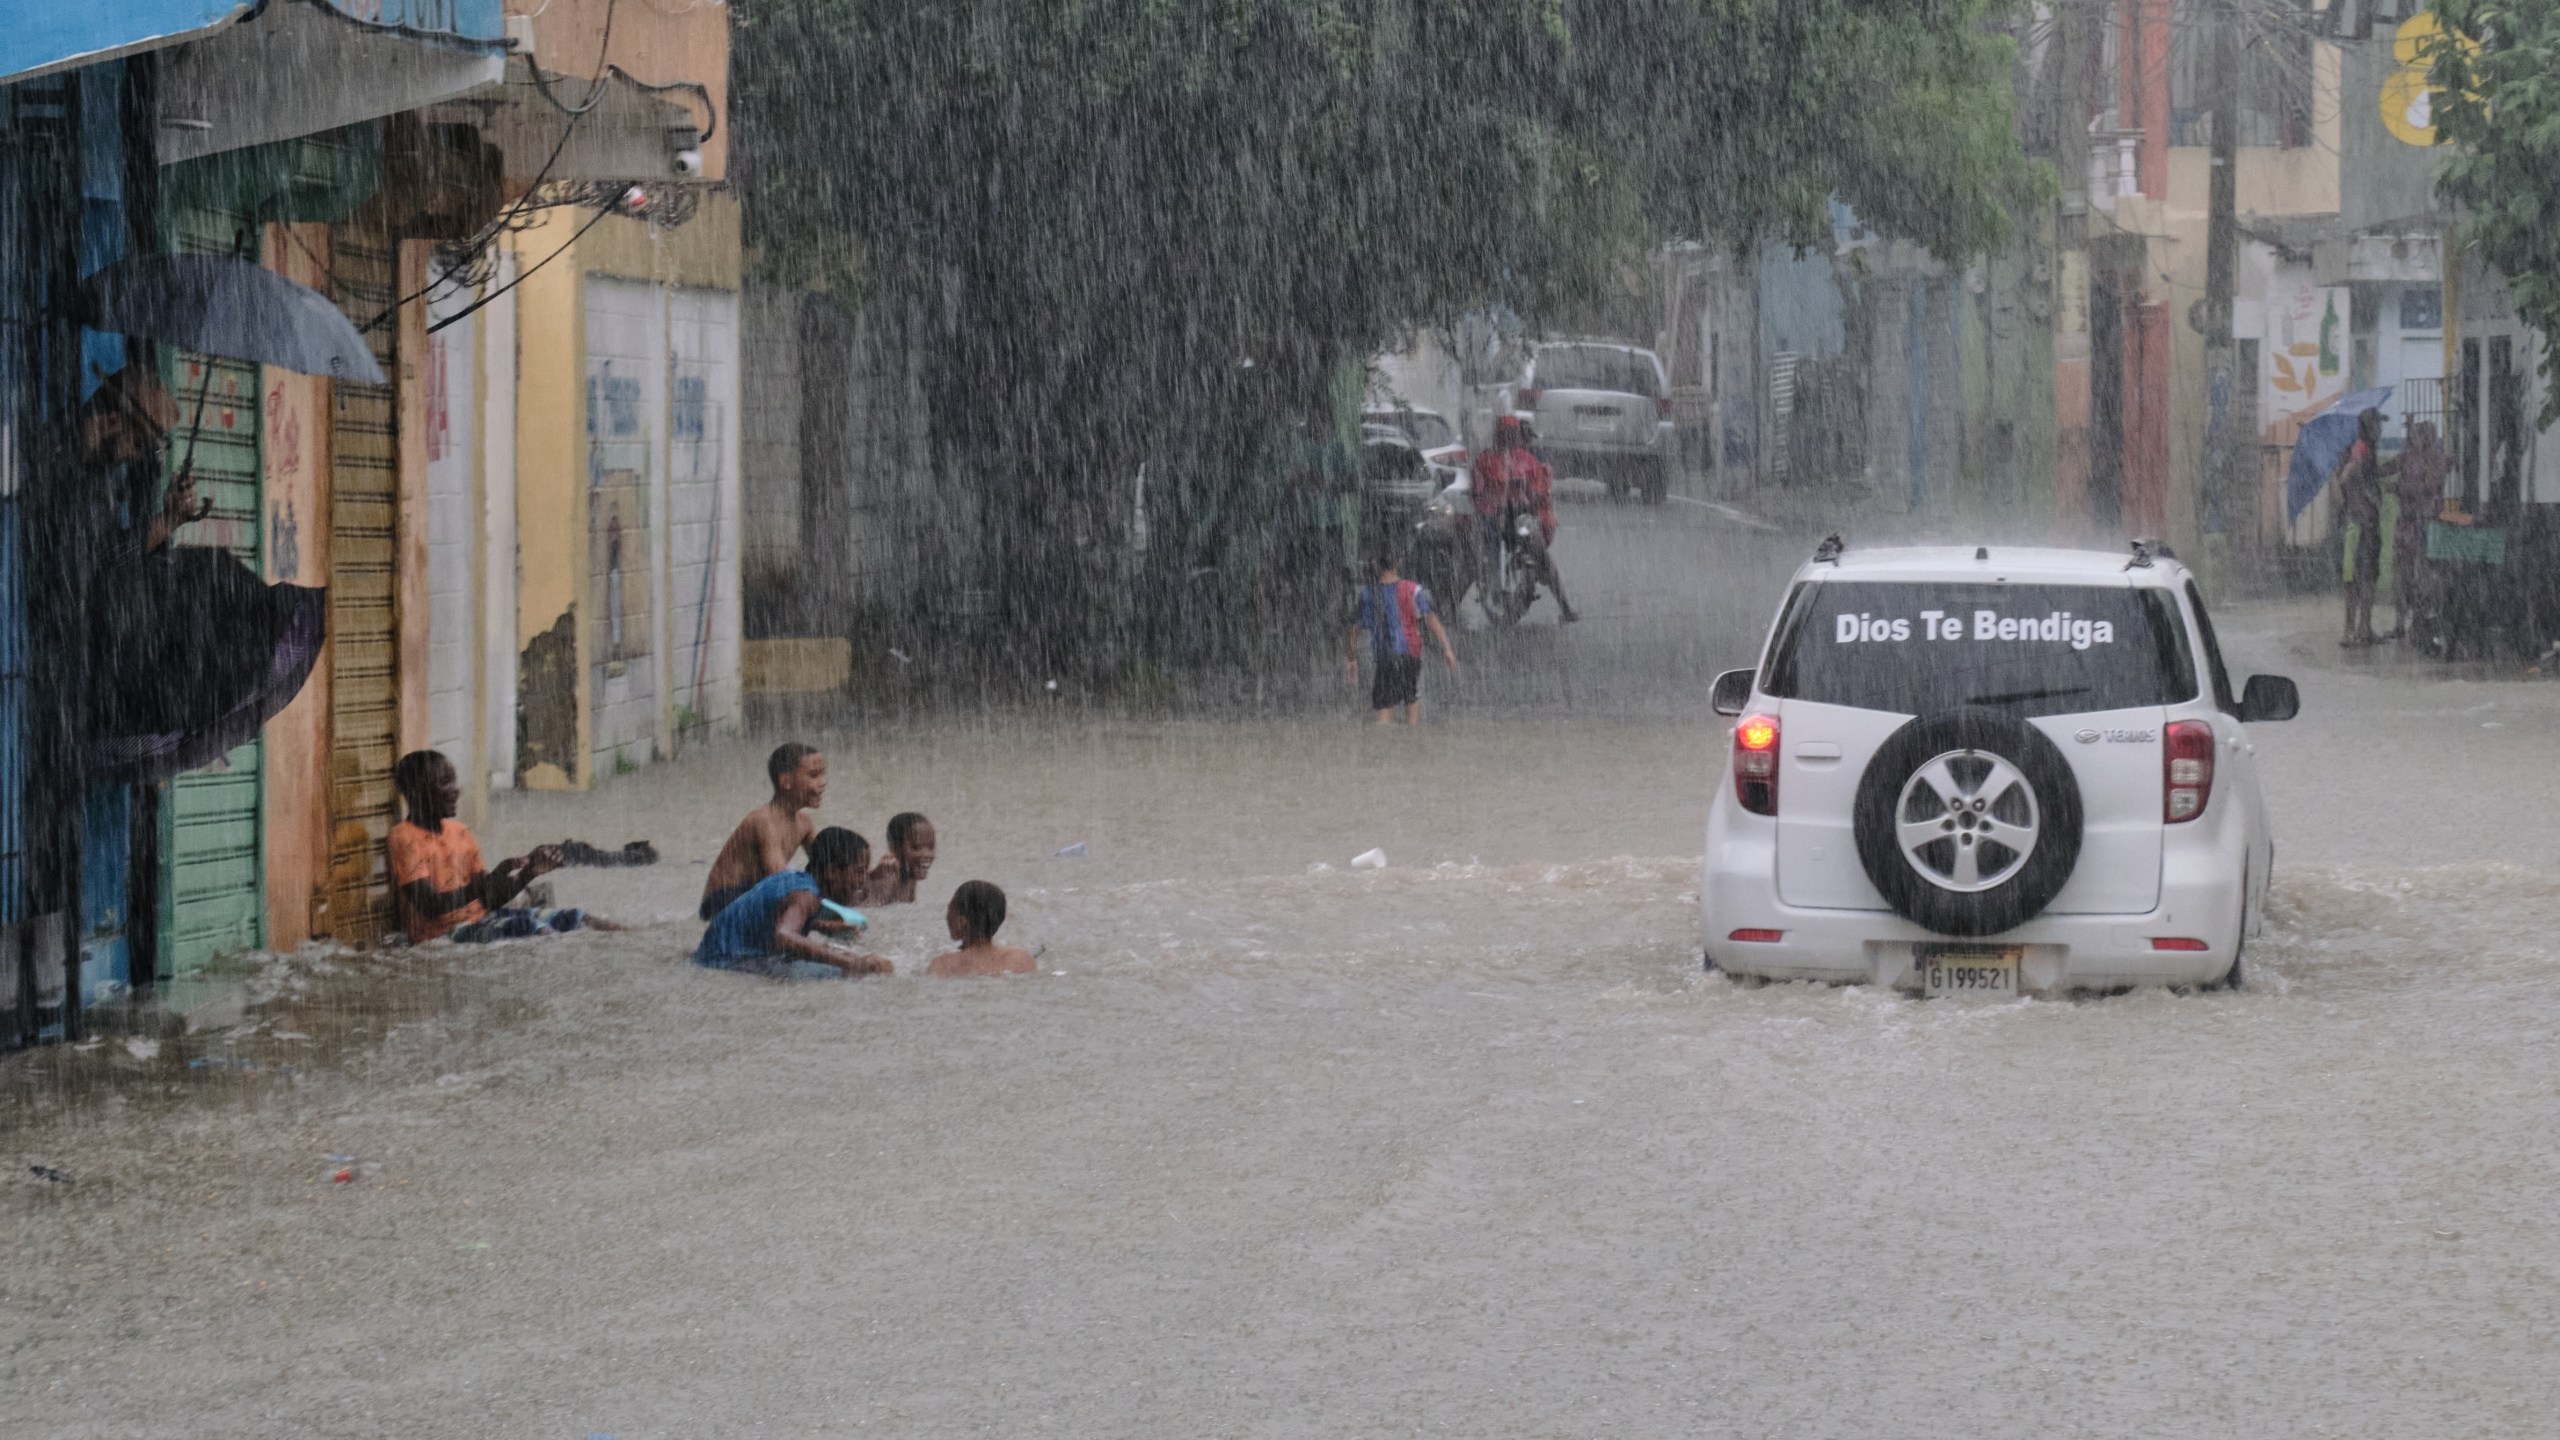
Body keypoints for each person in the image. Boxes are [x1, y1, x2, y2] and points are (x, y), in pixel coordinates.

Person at [389, 750, 604, 943]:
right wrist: (483, 886)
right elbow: (429, 906)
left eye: (454, 782)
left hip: (483, 920)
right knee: (531, 928)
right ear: (419, 791)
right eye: (445, 783)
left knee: (579, 918)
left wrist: (526, 874)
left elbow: (487, 901)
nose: (457, 791)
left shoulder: (461, 832)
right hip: (440, 935)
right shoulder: (404, 837)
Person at [695, 827, 894, 979]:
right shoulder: (805, 895)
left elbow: (772, 916)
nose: (863, 881)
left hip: (711, 954)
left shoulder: (795, 879)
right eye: (859, 871)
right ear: (832, 871)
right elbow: (784, 936)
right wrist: (850, 963)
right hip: (724, 963)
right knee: (843, 975)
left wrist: (821, 925)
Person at [699, 742, 828, 920]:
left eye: (823, 774)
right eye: (814, 775)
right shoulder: (764, 820)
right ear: (786, 781)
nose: (823, 783)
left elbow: (830, 867)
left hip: (752, 895)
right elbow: (780, 881)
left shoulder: (804, 823)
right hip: (723, 900)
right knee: (799, 906)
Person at [1468, 415, 1578, 622]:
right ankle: (1451, 602)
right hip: (1492, 518)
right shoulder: (1484, 460)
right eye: (1505, 434)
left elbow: (1537, 490)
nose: (1509, 438)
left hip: (1519, 518)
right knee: (1477, 555)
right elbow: (1477, 492)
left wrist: (1533, 502)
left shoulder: (1527, 461)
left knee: (1541, 555)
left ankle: (1565, 606)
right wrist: (1489, 507)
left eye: (1513, 434)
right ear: (1497, 435)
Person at [1346, 555, 1460, 724]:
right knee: (1411, 698)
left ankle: (1382, 746)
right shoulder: (1414, 590)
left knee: (1384, 708)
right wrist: (1447, 649)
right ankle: (1412, 742)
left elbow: (1355, 630)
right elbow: (1432, 620)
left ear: (1376, 564)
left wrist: (1351, 657)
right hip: (1411, 655)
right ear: (1399, 562)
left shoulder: (1368, 594)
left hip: (1385, 656)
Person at [2334, 408, 2397, 647]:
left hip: (2357, 523)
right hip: (2363, 525)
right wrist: (2365, 500)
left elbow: (2348, 476)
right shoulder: (2362, 448)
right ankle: (2359, 629)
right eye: (2377, 424)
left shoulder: (2360, 448)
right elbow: (2348, 474)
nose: (2380, 429)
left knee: (2354, 578)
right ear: (2368, 426)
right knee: (2363, 578)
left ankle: (2355, 629)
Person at [2392, 419, 2448, 641]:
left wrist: (2402, 487)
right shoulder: (2408, 458)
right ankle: (2403, 621)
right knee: (2404, 574)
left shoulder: (2436, 459)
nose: (2418, 440)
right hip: (2409, 521)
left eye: (2421, 436)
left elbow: (2429, 486)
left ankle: (2420, 620)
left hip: (2425, 522)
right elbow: (2387, 471)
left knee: (2424, 574)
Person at [925, 880, 1037, 977]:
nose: (947, 918)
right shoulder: (1021, 957)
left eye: (950, 909)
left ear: (962, 922)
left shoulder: (942, 965)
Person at [868, 811, 937, 905]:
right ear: (894, 847)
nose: (926, 854)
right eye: (915, 847)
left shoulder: (910, 875)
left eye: (931, 847)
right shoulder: (889, 878)